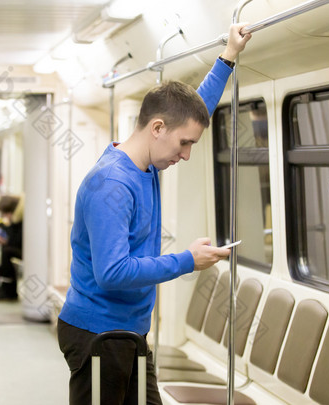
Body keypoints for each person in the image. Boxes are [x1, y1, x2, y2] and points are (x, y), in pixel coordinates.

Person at [57, 23, 252, 405]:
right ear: (157, 128)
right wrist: (186, 261)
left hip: (128, 331)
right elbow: (112, 273)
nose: (186, 154)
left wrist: (228, 57)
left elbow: (195, 110)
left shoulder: (147, 164)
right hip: (99, 335)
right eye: (183, 144)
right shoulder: (112, 184)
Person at [0, 195, 24, 301]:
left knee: (6, 252)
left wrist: (5, 242)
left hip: (25, 251)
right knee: (5, 251)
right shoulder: (15, 220)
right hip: (19, 248)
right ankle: (4, 290)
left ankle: (8, 291)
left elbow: (18, 241)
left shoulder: (22, 221)